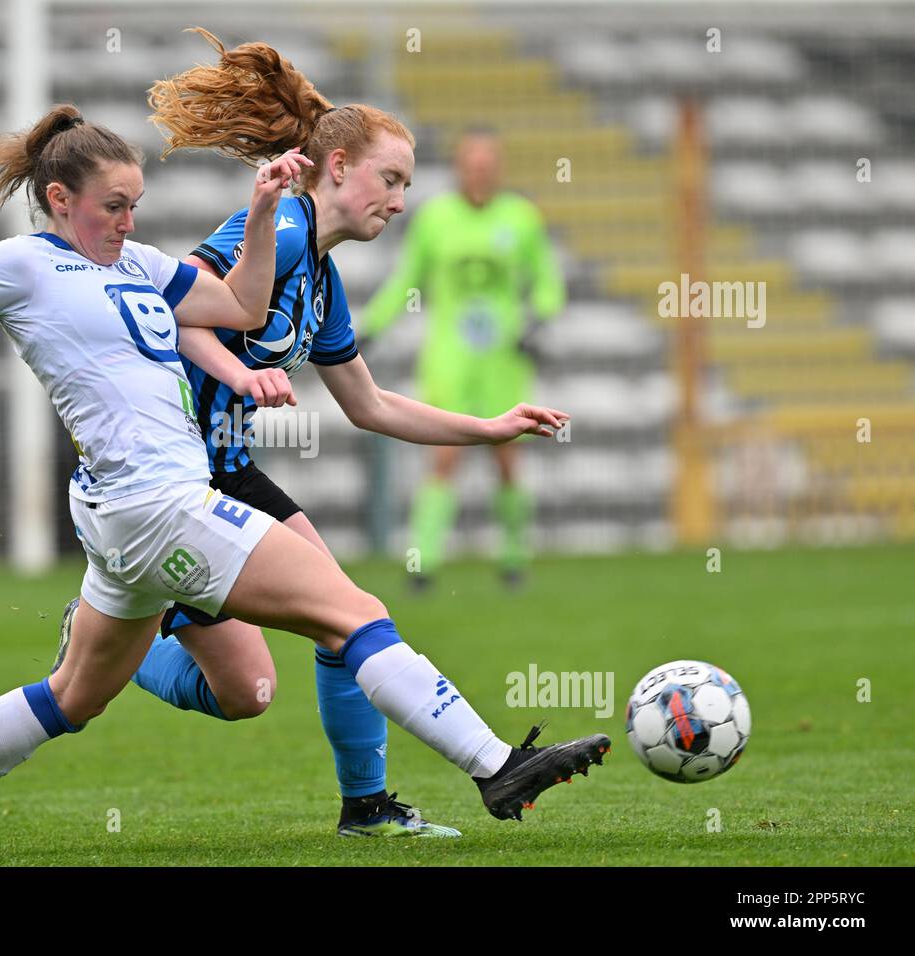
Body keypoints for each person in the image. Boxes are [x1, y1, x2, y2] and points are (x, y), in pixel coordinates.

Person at [0, 106, 608, 862]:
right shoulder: (25, 265)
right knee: (352, 615)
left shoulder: (149, 267)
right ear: (58, 197)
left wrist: (255, 210)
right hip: (165, 504)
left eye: (136, 204)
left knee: (75, 697)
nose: (129, 222)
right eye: (113, 205)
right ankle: (495, 768)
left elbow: (241, 304)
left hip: (127, 515)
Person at [51, 29, 585, 838]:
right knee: (353, 614)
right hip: (171, 476)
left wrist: (490, 427)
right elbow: (179, 306)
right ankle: (406, 793)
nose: (401, 201)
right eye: (392, 179)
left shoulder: (324, 282)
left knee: (252, 692)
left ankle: (131, 649)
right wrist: (236, 376)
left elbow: (370, 406)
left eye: (407, 184)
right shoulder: (283, 229)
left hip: (230, 470)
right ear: (338, 167)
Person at [362, 128, 566, 590]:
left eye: (488, 166)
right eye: (473, 166)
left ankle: (514, 559)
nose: (480, 174)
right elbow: (406, 281)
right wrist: (372, 325)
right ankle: (425, 563)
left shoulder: (521, 217)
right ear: (460, 169)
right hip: (450, 356)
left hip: (503, 357)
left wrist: (539, 322)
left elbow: (548, 281)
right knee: (446, 455)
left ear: (498, 170)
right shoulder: (436, 218)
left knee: (508, 456)